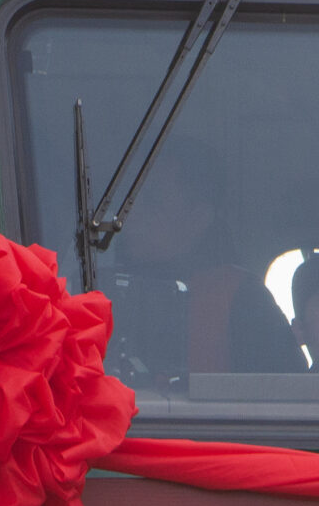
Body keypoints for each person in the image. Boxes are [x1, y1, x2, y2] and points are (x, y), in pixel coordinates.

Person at [102, 138, 306, 382]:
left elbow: (287, 397)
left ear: (199, 218)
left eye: (151, 202)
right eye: (129, 201)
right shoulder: (92, 286)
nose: (129, 214)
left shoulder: (242, 301)